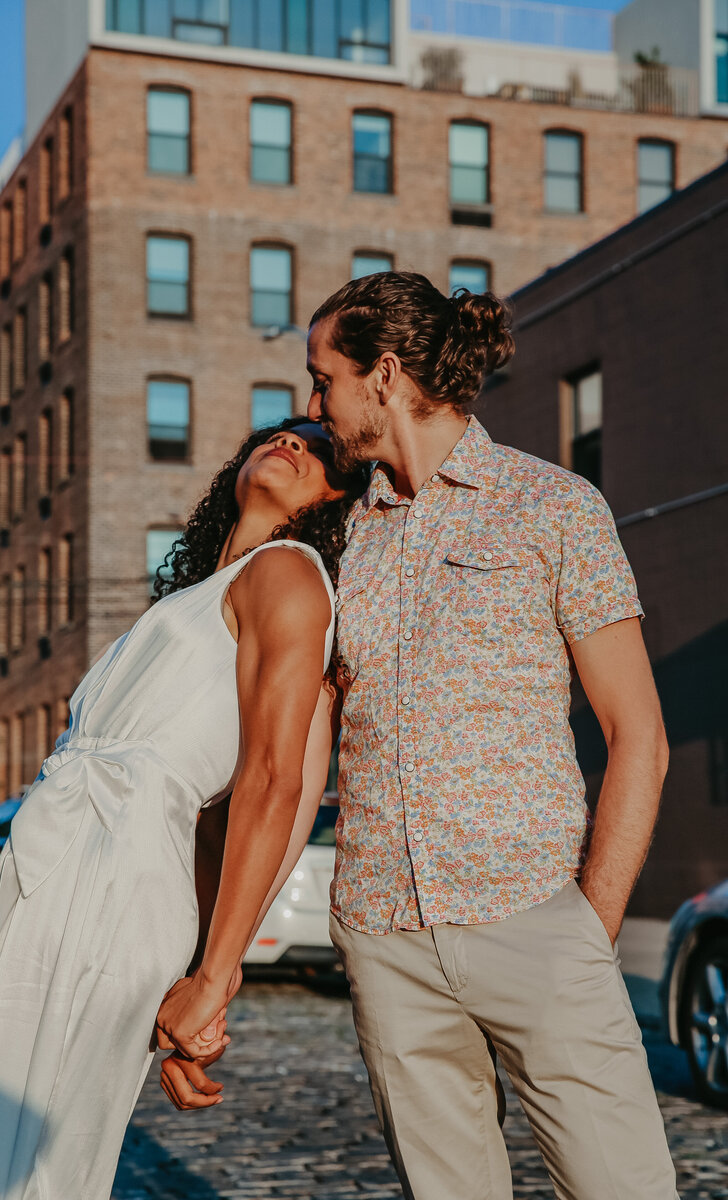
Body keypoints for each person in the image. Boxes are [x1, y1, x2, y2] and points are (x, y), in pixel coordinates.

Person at [306, 271, 678, 1200]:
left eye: (324, 380)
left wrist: (586, 931)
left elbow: (639, 735)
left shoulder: (554, 507)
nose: (314, 403)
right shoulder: (343, 540)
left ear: (383, 375)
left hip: (533, 918)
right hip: (386, 938)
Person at [0, 418, 369, 1200]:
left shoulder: (292, 572)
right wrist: (198, 977)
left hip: (119, 868)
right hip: (61, 860)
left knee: (45, 1149)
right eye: (279, 435)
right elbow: (217, 824)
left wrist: (214, 976)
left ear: (337, 500)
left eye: (319, 449)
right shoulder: (209, 590)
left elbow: (283, 785)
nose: (294, 444)